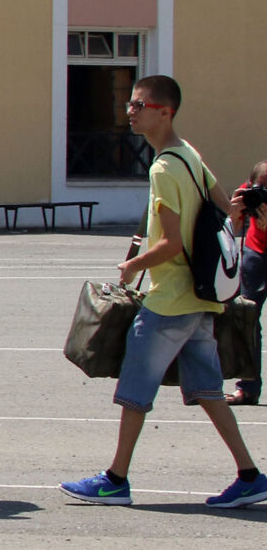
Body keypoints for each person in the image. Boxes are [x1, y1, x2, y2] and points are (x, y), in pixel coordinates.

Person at [62, 76, 267, 508]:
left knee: (136, 389)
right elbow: (225, 207)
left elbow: (171, 243)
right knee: (209, 392)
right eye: (131, 104)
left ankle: (115, 479)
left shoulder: (163, 168)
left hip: (171, 299)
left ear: (164, 111)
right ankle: (249, 475)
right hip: (200, 297)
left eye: (139, 105)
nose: (130, 111)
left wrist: (133, 264)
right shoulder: (189, 155)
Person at [230, 160, 267, 406]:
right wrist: (234, 210)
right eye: (260, 188)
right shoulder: (250, 193)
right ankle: (248, 388)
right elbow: (230, 226)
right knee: (247, 320)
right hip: (256, 254)